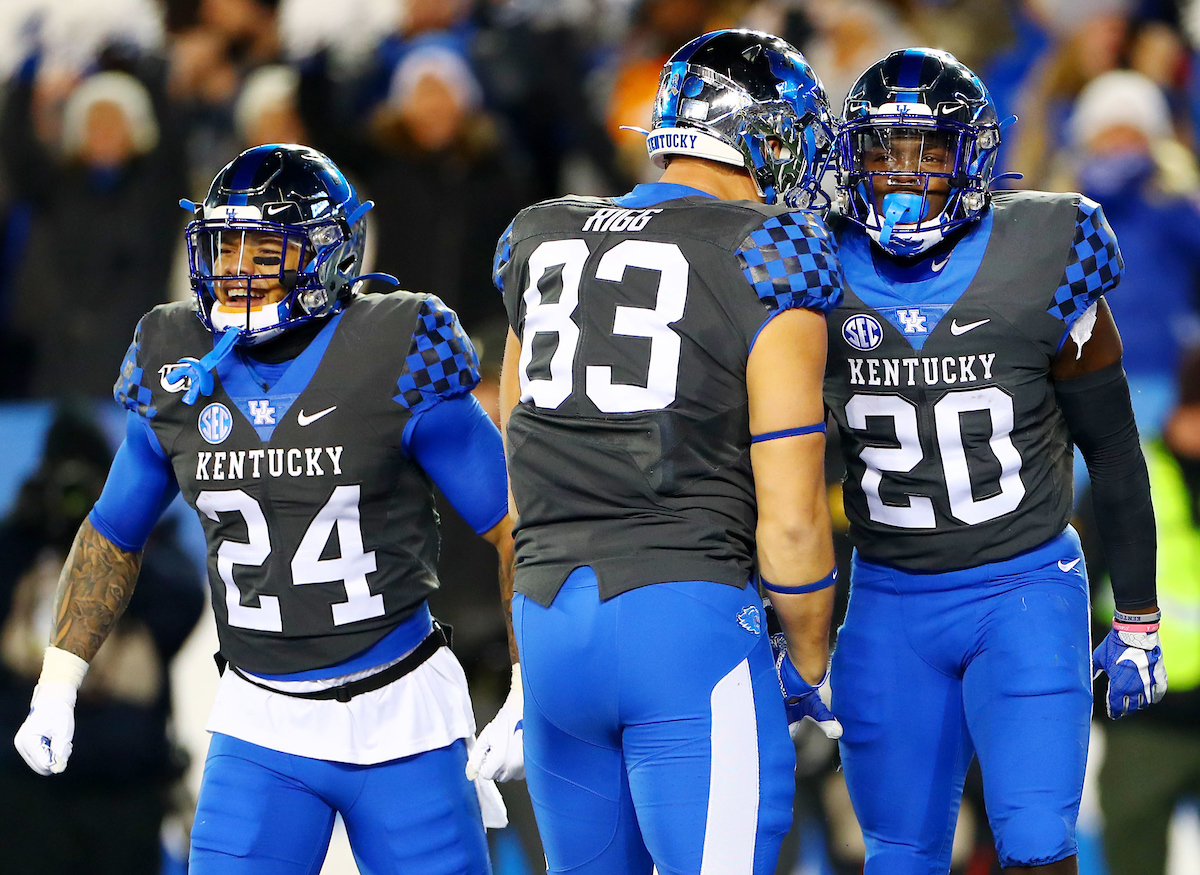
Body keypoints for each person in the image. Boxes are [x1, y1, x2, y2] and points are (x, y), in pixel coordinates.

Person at [12, 143, 515, 874]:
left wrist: (532, 677)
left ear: (331, 253)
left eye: (262, 249)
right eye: (224, 245)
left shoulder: (396, 345)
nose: (235, 269)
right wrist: (59, 682)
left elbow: (517, 527)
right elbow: (113, 532)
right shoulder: (174, 353)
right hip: (259, 717)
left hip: (400, 710)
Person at [469, 29, 844, 874]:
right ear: (756, 135)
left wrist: (530, 664)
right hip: (687, 630)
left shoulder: (541, 235)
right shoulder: (767, 254)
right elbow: (789, 521)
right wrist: (817, 667)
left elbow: (518, 478)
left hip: (550, 623)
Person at [822, 48, 1166, 874]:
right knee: (898, 853)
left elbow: (1113, 446)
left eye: (928, 152)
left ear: (970, 156)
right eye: (882, 151)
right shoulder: (809, 262)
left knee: (1038, 847)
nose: (903, 174)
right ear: (848, 158)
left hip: (1024, 588)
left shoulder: (1049, 245)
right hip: (888, 597)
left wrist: (1139, 614)